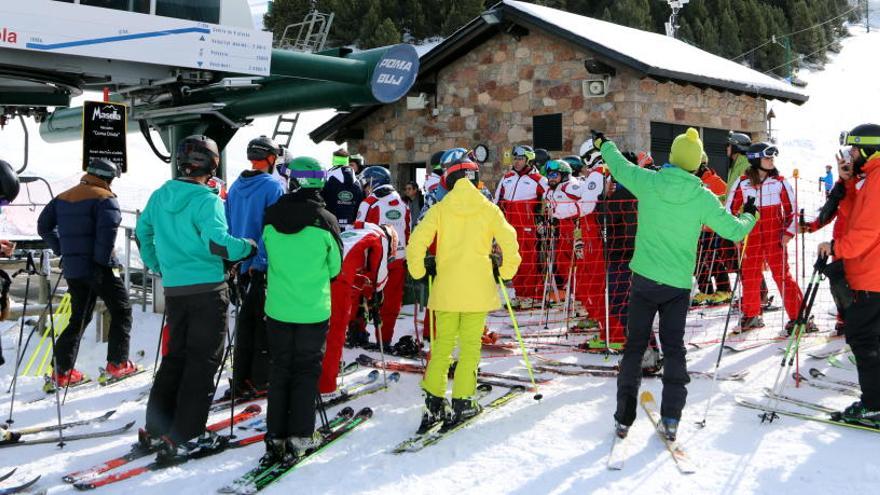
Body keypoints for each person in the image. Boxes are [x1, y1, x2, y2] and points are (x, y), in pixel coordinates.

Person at [593, 128, 756, 441]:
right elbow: (734, 232)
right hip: (677, 287)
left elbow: (618, 165)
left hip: (642, 280)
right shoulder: (702, 196)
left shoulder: (650, 182)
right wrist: (750, 216)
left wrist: (604, 143)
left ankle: (623, 418)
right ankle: (671, 419)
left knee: (634, 348)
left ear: (672, 158)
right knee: (674, 349)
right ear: (696, 165)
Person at [136, 135, 257, 461]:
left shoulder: (162, 194)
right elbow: (219, 244)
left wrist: (158, 264)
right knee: (202, 363)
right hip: (206, 289)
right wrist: (247, 246)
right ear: (212, 164)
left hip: (175, 289)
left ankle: (156, 429)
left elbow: (142, 232)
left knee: (176, 357)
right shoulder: (207, 200)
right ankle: (188, 435)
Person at [407, 156, 520, 431]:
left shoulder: (441, 208)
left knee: (443, 344)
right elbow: (510, 240)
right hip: (477, 288)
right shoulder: (488, 209)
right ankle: (463, 400)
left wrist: (420, 271)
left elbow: (416, 241)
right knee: (470, 346)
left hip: (446, 287)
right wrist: (506, 271)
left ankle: (434, 400)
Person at [260, 155, 342, 464]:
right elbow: (335, 267)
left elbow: (268, 251)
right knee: (306, 370)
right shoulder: (326, 220)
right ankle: (301, 435)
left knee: (280, 368)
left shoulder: (271, 215)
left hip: (279, 307)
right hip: (312, 309)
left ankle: (275, 437)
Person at [37, 158, 134, 389]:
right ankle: (118, 364)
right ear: (107, 178)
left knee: (78, 318)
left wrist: (62, 249)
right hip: (99, 268)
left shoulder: (63, 197)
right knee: (122, 311)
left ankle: (62, 372)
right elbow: (107, 234)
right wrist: (101, 262)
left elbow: (43, 226)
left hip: (74, 269)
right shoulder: (105, 199)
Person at [819, 123, 880, 426]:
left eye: (855, 149)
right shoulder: (871, 178)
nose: (851, 155)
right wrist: (849, 183)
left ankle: (874, 406)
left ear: (869, 148)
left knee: (865, 340)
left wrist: (835, 247)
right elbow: (857, 214)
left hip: (873, 277)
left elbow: (867, 230)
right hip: (870, 275)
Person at [224, 136, 286, 398]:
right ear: (271, 158)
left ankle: (241, 377)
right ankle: (260, 379)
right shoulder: (274, 187)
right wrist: (260, 263)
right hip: (260, 267)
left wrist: (234, 261)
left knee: (245, 323)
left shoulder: (237, 185)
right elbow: (272, 229)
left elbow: (227, 223)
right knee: (262, 325)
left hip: (239, 265)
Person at [727, 142, 809, 334]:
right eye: (767, 157)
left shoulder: (780, 182)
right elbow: (728, 211)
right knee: (750, 276)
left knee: (782, 276)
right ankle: (751, 315)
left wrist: (788, 233)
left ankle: (799, 316)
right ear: (756, 160)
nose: (771, 161)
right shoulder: (742, 183)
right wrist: (736, 233)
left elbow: (793, 211)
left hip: (775, 237)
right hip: (751, 236)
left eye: (773, 158)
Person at [544, 159, 624, 347]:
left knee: (590, 283)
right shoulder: (550, 191)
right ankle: (595, 316)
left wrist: (562, 211)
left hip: (583, 234)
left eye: (554, 175)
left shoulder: (570, 186)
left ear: (563, 175)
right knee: (574, 281)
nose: (551, 178)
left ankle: (613, 330)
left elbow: (587, 198)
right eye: (549, 175)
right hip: (567, 238)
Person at [319, 223, 396, 395]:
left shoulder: (356, 231)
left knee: (318, 326)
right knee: (337, 329)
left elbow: (355, 259)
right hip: (338, 276)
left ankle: (320, 370)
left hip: (320, 271)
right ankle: (326, 384)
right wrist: (376, 296)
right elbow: (379, 275)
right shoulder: (379, 237)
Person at [801, 147, 857, 335]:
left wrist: (847, 182)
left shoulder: (865, 183)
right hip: (839, 243)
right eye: (842, 164)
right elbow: (830, 211)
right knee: (838, 283)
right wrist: (811, 226)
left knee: (858, 285)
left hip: (860, 243)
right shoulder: (842, 184)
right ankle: (844, 319)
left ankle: (859, 322)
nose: (845, 167)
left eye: (848, 163)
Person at [353, 166, 409, 349]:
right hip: (399, 258)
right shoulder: (402, 202)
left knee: (363, 296)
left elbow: (359, 231)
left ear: (372, 182)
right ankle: (384, 339)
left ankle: (357, 332)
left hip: (376, 261)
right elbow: (407, 230)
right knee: (392, 301)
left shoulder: (370, 202)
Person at [493, 145, 547, 308]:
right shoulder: (507, 178)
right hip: (510, 226)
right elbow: (497, 201)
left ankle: (530, 295)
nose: (517, 162)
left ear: (528, 160)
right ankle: (518, 294)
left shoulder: (538, 179)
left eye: (520, 159)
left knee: (529, 260)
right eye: (515, 159)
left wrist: (543, 221)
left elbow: (551, 200)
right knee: (513, 259)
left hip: (528, 227)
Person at [693, 154, 733, 305]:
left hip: (713, 229)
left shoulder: (715, 182)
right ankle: (706, 291)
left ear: (702, 166)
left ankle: (725, 290)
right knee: (696, 261)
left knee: (713, 260)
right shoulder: (694, 182)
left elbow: (728, 201)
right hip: (698, 229)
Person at [322, 149, 365, 231]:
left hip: (330, 228)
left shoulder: (327, 178)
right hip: (351, 230)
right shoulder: (358, 182)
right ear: (347, 161)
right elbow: (360, 207)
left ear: (334, 160)